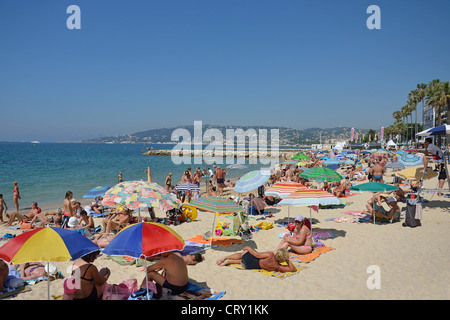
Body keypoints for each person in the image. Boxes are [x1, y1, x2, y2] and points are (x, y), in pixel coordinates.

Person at [216, 247, 296, 273]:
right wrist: (287, 260)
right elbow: (293, 269)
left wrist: (247, 248)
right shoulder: (277, 267)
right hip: (248, 266)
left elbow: (256, 254)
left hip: (249, 260)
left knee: (243, 253)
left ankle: (225, 258)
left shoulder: (270, 255)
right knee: (244, 261)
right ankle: (228, 262)